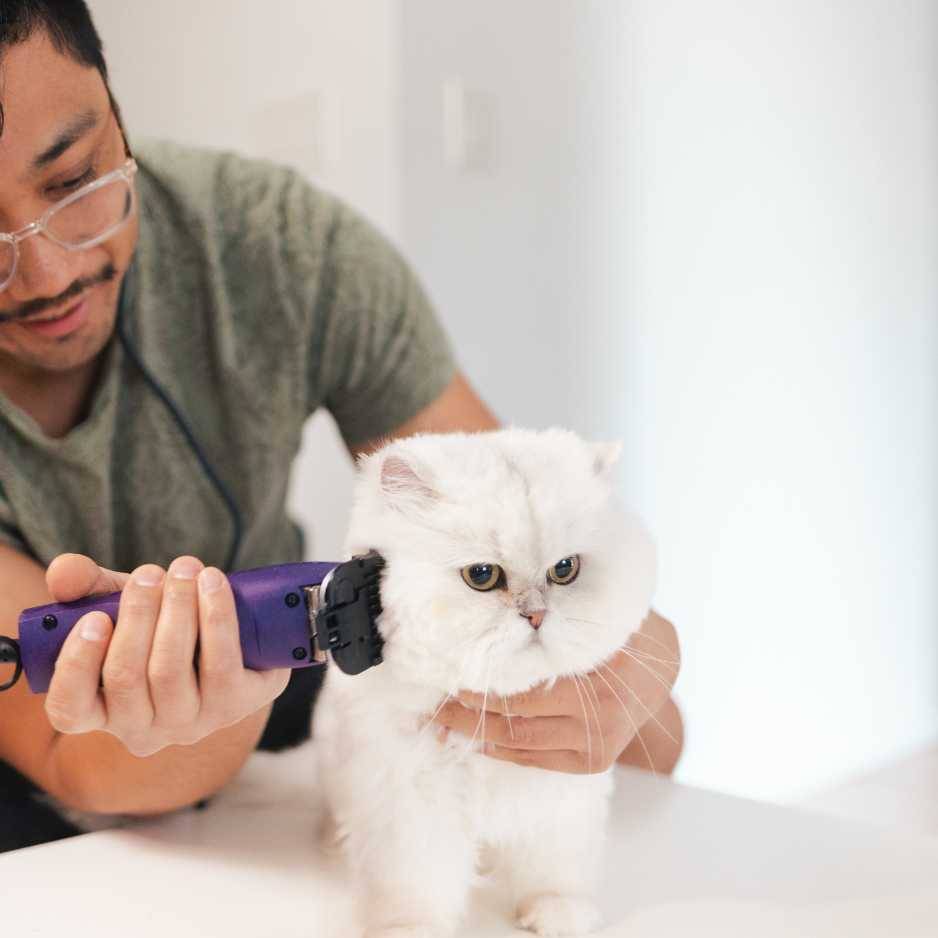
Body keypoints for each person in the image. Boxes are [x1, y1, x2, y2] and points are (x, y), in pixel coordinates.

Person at [0, 0, 683, 854]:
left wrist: (638, 658)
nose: (47, 273)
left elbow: (652, 734)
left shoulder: (278, 247)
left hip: (269, 693)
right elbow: (79, 757)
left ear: (121, 114)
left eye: (73, 182)